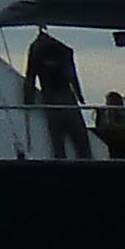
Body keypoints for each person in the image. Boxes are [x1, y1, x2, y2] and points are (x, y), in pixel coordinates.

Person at [22, 26, 93, 160]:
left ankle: (62, 165)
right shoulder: (63, 50)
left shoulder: (36, 50)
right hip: (68, 97)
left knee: (58, 141)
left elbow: (30, 76)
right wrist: (79, 95)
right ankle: (87, 163)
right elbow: (72, 75)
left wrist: (28, 100)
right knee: (80, 138)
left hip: (51, 98)